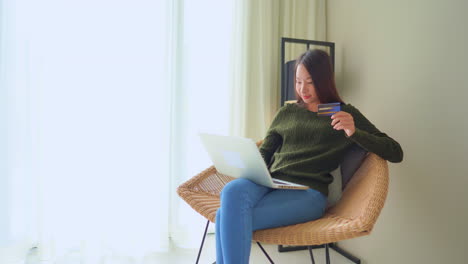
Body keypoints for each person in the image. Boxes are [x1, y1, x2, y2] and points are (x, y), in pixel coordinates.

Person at [215, 49, 403, 264]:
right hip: (271, 182)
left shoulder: (343, 113)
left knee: (225, 217)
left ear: (324, 81)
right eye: (298, 81)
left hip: (307, 194)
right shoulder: (287, 112)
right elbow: (266, 152)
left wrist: (355, 132)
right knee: (231, 190)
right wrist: (247, 164)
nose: (302, 89)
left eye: (310, 82)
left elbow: (395, 152)